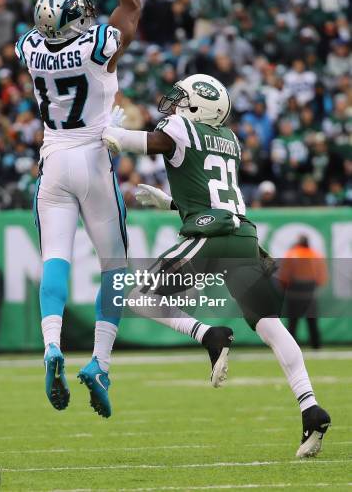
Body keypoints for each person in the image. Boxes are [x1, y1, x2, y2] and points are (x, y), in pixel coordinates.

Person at [102, 73, 331, 458]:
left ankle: (208, 335)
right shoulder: (230, 140)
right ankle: (311, 407)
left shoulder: (181, 127)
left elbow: (145, 143)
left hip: (213, 234)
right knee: (272, 327)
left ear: (197, 106)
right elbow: (211, 188)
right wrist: (172, 203)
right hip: (243, 237)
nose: (174, 105)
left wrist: (112, 133)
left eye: (182, 99)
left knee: (136, 294)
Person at [15, 0, 141, 416]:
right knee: (115, 265)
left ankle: (50, 347)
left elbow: (44, 10)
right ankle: (99, 362)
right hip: (93, 155)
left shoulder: (30, 48)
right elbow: (130, 4)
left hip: (52, 161)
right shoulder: (96, 45)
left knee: (55, 262)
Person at [279, 236, 328, 349]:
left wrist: (284, 287)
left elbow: (284, 276)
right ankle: (316, 346)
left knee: (292, 323)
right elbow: (321, 277)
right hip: (310, 294)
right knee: (312, 322)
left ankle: (290, 347)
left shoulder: (291, 254)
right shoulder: (315, 255)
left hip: (293, 294)